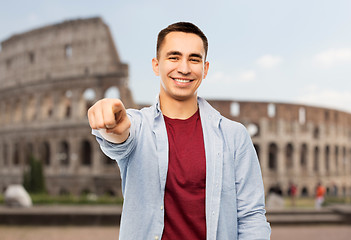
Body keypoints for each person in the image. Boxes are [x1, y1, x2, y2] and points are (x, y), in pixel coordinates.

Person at [88, 22, 271, 240]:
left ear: (205, 68)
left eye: (194, 59)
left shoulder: (234, 136)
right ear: (156, 65)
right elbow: (119, 140)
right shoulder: (138, 126)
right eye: (174, 57)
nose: (184, 68)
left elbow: (252, 216)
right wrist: (110, 126)